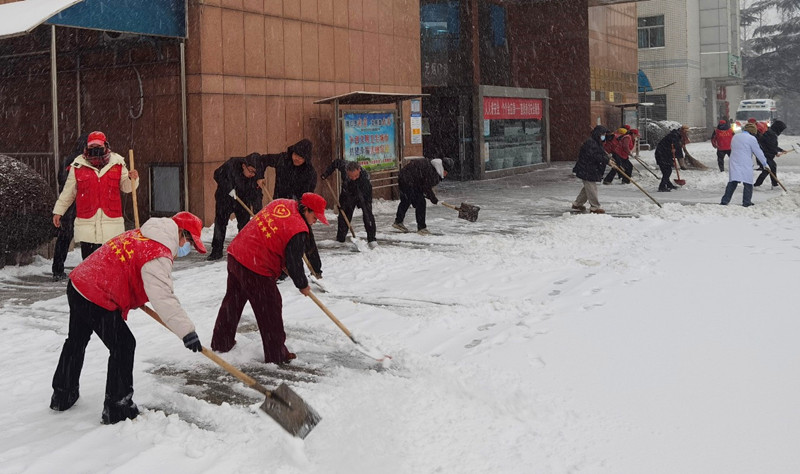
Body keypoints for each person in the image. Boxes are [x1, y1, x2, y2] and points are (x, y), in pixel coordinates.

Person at [50, 212, 207, 424]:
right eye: (188, 241)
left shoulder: (141, 235)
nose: (185, 248)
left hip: (79, 283)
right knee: (123, 345)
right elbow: (163, 297)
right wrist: (186, 331)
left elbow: (124, 266)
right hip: (97, 295)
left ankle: (62, 394)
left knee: (76, 340)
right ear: (181, 232)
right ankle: (118, 406)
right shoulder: (157, 252)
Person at [210, 193, 329, 364]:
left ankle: (221, 342)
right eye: (315, 217)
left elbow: (281, 241)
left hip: (237, 254)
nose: (315, 221)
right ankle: (276, 354)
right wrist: (302, 284)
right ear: (305, 209)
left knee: (233, 301)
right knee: (270, 308)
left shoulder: (282, 203)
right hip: (255, 265)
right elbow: (294, 261)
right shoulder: (298, 228)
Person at [52, 131, 139, 259]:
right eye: (92, 147)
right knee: (89, 263)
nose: (95, 150)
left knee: (109, 263)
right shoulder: (78, 165)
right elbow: (68, 192)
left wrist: (133, 179)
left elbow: (126, 188)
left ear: (106, 146)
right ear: (86, 147)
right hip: (87, 224)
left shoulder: (117, 163)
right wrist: (59, 211)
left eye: (98, 147)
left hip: (111, 225)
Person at [253, 139, 322, 275]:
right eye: (295, 154)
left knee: (306, 238)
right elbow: (261, 160)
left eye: (301, 157)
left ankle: (316, 270)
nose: (296, 158)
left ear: (306, 158)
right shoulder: (283, 159)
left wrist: (305, 214)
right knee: (277, 239)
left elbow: (307, 197)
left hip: (298, 208)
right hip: (279, 206)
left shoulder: (310, 173)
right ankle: (280, 270)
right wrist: (260, 176)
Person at [206, 155, 266, 261]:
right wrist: (229, 188)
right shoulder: (232, 164)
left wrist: (257, 211)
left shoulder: (254, 176)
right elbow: (217, 174)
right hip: (225, 198)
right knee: (221, 224)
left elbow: (256, 194)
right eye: (250, 171)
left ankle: (243, 250)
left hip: (243, 200)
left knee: (244, 225)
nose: (252, 175)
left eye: (254, 173)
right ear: (244, 166)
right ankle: (216, 251)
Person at [52, 134, 88, 281]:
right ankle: (88, 270)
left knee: (64, 238)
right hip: (79, 204)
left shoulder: (69, 160)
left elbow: (61, 179)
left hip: (70, 206)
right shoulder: (83, 162)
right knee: (87, 239)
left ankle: (58, 269)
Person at [321, 159, 378, 248]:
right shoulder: (343, 166)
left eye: (355, 176)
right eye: (351, 176)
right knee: (344, 215)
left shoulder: (364, 178)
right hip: (347, 192)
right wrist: (326, 174)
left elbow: (365, 198)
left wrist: (364, 205)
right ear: (346, 171)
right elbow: (335, 163)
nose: (354, 178)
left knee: (367, 215)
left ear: (359, 170)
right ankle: (340, 239)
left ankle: (372, 239)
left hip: (363, 193)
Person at [392, 157, 453, 235]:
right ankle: (421, 228)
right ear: (443, 168)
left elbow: (423, 186)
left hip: (405, 178)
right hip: (409, 181)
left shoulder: (432, 166)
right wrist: (434, 200)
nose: (446, 174)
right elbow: (426, 188)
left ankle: (398, 221)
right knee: (420, 202)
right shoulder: (433, 172)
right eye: (446, 172)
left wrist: (430, 197)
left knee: (406, 200)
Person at [721, 122, 768, 207]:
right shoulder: (751, 139)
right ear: (752, 132)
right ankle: (746, 202)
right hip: (745, 162)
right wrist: (765, 163)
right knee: (748, 182)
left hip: (734, 161)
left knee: (733, 181)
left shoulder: (735, 136)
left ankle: (725, 200)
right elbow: (758, 152)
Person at [571, 125, 610, 214]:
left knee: (588, 187)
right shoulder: (591, 143)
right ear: (598, 134)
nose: (604, 136)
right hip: (586, 168)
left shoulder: (596, 142)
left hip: (590, 168)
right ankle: (595, 207)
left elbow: (600, 154)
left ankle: (577, 203)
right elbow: (594, 155)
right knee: (591, 187)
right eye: (603, 134)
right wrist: (606, 160)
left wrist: (607, 159)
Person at [754, 120, 787, 189]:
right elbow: (771, 146)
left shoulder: (770, 133)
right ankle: (758, 185)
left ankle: (773, 184)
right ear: (778, 128)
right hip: (765, 155)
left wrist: (780, 150)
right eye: (781, 130)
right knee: (768, 168)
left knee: (771, 167)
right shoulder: (771, 135)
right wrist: (776, 152)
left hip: (765, 154)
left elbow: (772, 145)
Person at [654, 127, 683, 192]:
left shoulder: (675, 135)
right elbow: (674, 149)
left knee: (666, 171)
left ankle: (668, 184)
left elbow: (675, 149)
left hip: (663, 154)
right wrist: (672, 150)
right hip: (662, 155)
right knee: (667, 171)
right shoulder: (674, 137)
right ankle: (662, 187)